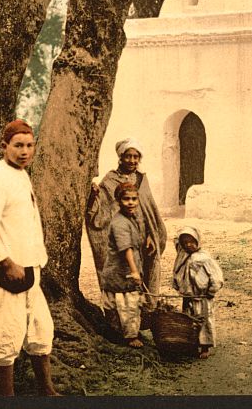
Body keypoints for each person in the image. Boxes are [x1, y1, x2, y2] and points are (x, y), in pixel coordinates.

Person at [0, 118, 59, 397]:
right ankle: (5, 396)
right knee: (5, 336)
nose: (25, 151)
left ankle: (46, 389)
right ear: (4, 146)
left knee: (40, 330)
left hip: (29, 268)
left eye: (30, 145)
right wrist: (7, 262)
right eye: (18, 145)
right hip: (3, 273)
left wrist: (30, 261)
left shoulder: (21, 174)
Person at [85, 138, 167, 319]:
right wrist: (94, 195)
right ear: (120, 157)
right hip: (120, 237)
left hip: (144, 237)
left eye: (136, 156)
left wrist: (149, 235)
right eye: (128, 156)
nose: (132, 160)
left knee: (146, 270)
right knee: (121, 276)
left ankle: (144, 316)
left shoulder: (142, 179)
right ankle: (119, 320)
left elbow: (147, 210)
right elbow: (101, 211)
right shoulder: (110, 180)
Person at [99, 182, 147, 348]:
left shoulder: (131, 218)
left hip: (125, 271)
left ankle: (125, 333)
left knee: (128, 305)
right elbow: (125, 248)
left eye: (134, 199)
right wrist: (135, 272)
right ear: (119, 201)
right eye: (126, 199)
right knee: (126, 306)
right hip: (120, 272)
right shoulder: (119, 222)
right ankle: (129, 337)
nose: (131, 202)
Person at [171, 225, 224, 359]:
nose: (189, 245)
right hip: (188, 295)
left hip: (202, 296)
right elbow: (178, 271)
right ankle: (192, 344)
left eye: (192, 242)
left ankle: (205, 346)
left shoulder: (204, 258)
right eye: (185, 243)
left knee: (204, 320)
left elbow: (216, 277)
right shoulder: (183, 257)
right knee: (189, 320)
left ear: (198, 241)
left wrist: (211, 291)